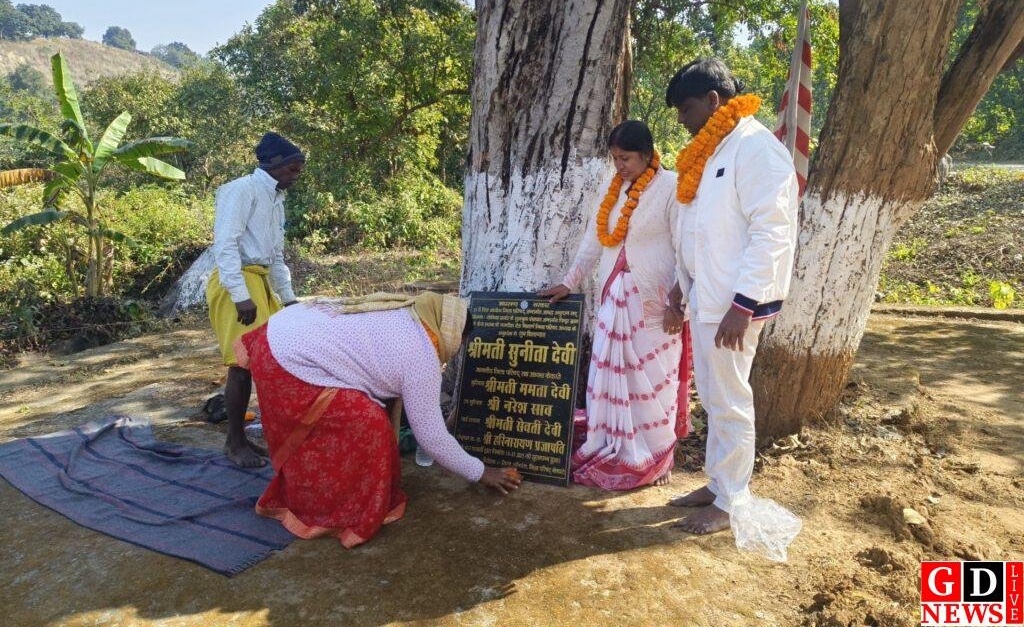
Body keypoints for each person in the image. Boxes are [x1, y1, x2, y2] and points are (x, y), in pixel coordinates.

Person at [233, 292, 522, 548]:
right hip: (287, 361)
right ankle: (334, 509)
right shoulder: (422, 355)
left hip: (283, 328)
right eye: (463, 341)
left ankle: (328, 492)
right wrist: (481, 472)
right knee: (370, 425)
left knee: (358, 421)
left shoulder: (407, 312)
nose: (460, 348)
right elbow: (431, 437)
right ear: (452, 335)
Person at [664, 57, 798, 534]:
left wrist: (744, 305)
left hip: (735, 305)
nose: (682, 120)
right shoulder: (711, 149)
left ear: (714, 100)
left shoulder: (756, 148)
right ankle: (718, 484)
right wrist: (681, 282)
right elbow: (698, 229)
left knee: (730, 399)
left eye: (686, 108)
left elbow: (773, 231)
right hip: (707, 297)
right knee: (714, 398)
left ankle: (732, 501)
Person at [540, 121, 688, 490]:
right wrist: (569, 282)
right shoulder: (613, 190)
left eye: (626, 159)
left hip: (656, 303)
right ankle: (611, 443)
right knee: (607, 375)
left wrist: (679, 301)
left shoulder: (671, 187)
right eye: (615, 158)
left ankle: (656, 456)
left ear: (647, 155)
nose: (619, 166)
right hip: (613, 298)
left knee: (654, 380)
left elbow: (686, 247)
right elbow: (593, 242)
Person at [206, 132, 305, 468]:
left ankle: (245, 437)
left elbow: (275, 256)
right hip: (237, 282)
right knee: (242, 365)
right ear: (275, 165)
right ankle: (234, 443)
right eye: (292, 169)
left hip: (258, 281)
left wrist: (288, 300)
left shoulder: (276, 200)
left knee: (265, 362)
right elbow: (225, 245)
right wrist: (240, 295)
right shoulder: (242, 190)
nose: (296, 176)